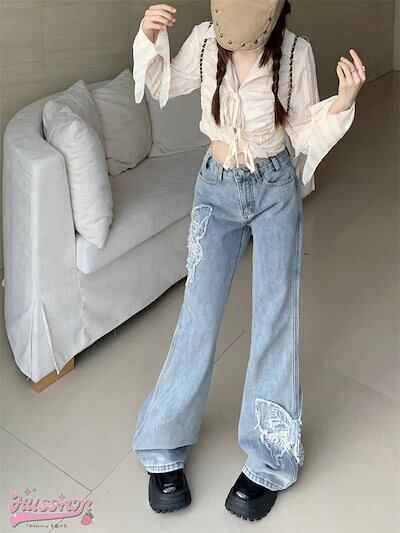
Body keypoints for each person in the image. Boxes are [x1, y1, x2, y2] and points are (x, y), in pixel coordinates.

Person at [131, 0, 366, 521]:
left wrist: (342, 103)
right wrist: (148, 36)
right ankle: (162, 441)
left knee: (274, 319)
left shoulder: (295, 52)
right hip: (215, 187)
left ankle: (269, 459)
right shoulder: (204, 39)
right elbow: (162, 82)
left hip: (274, 190)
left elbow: (301, 131)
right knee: (198, 314)